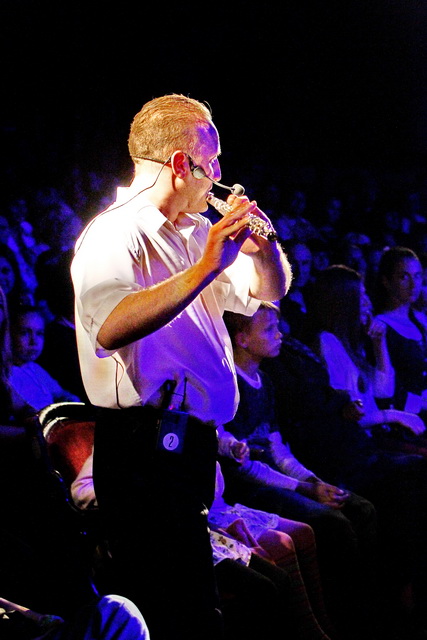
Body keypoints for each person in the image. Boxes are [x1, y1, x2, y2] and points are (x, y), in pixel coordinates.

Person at [71, 93, 291, 640]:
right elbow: (111, 325)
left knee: (196, 605)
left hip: (187, 443)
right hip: (142, 447)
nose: (218, 175)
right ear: (179, 163)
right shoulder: (114, 233)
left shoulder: (194, 231)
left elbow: (267, 293)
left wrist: (263, 249)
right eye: (211, 162)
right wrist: (207, 267)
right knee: (176, 610)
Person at [220, 302, 378, 640]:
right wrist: (305, 489)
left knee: (360, 508)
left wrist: (312, 480)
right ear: (242, 338)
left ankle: (366, 612)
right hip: (250, 490)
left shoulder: (264, 381)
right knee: (332, 523)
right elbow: (246, 468)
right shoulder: (228, 385)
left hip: (279, 481)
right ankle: (343, 621)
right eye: (269, 330)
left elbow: (277, 449)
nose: (279, 335)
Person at [261, 324, 427, 639]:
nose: (279, 333)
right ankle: (382, 607)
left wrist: (377, 347)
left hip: (346, 447)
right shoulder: (295, 359)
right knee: (376, 500)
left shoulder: (294, 353)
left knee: (411, 477)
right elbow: (277, 442)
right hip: (328, 457)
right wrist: (308, 483)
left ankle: (405, 592)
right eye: (269, 328)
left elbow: (373, 394)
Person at [307, 264, 427, 456]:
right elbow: (352, 415)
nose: (367, 303)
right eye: (360, 296)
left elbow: (384, 392)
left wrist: (380, 345)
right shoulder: (328, 342)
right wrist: (393, 415)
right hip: (360, 448)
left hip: (376, 438)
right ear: (344, 302)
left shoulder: (352, 342)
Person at [373, 246, 427, 421]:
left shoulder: (420, 321)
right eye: (404, 277)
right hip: (405, 418)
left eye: (417, 276)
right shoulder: (380, 326)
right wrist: (421, 404)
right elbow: (386, 389)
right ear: (386, 281)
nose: (414, 284)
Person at [9, 305, 81, 414]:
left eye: (39, 333)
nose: (34, 341)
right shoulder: (7, 375)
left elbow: (60, 393)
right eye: (24, 333)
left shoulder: (34, 367)